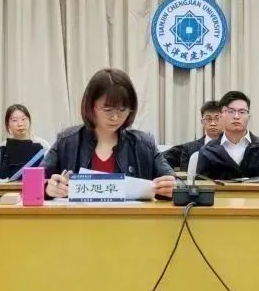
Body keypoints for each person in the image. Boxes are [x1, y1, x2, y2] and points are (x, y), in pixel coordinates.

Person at [43, 68, 176, 198]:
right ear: (90, 106)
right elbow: (36, 182)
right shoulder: (67, 141)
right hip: (80, 213)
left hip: (131, 214)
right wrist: (47, 188)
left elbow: (175, 183)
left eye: (122, 110)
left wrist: (171, 188)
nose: (115, 117)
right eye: (107, 110)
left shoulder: (143, 145)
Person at [195, 91, 259, 181]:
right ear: (220, 116)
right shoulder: (208, 151)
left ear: (249, 117)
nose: (236, 116)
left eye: (242, 112)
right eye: (230, 111)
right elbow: (203, 186)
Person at [160, 100, 223, 170]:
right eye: (208, 119)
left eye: (217, 119)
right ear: (202, 122)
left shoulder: (230, 145)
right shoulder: (189, 148)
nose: (213, 123)